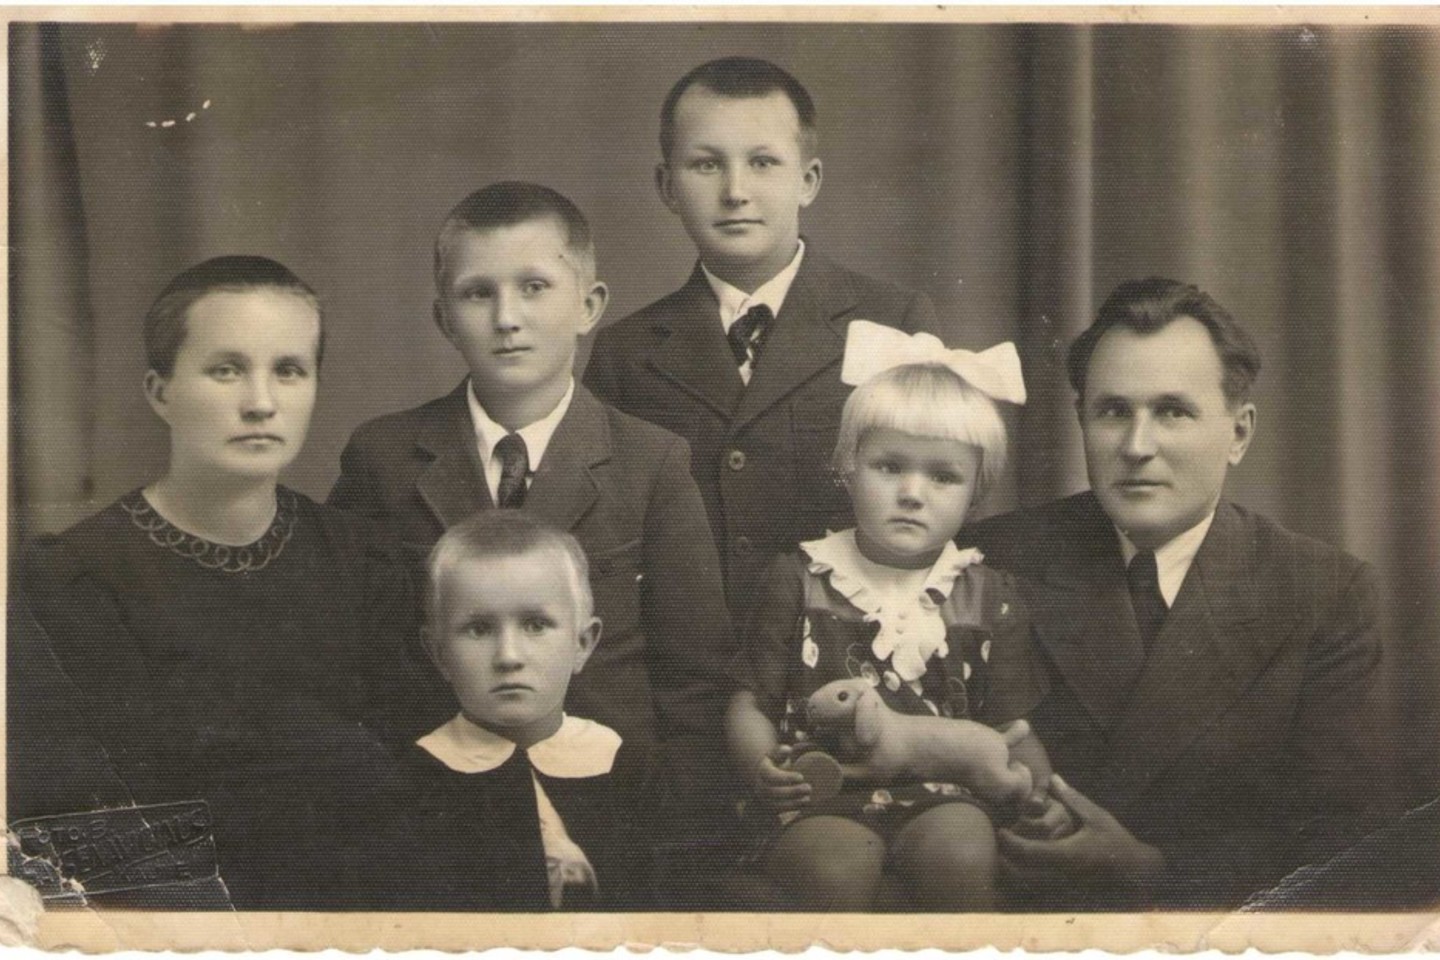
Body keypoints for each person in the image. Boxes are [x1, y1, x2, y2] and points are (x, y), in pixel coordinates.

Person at [964, 277, 1390, 909]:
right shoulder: (990, 561)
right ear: (1081, 421)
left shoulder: (1325, 595)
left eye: (1172, 412)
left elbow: (1341, 847)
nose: (1137, 447)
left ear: (1238, 434)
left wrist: (1155, 871)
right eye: (1113, 411)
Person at [13, 256, 418, 909]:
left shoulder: (363, 559)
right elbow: (90, 821)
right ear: (160, 392)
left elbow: (415, 775)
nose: (261, 403)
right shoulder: (77, 576)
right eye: (226, 370)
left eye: (289, 370)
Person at [326, 182, 734, 808]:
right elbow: (354, 662)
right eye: (477, 293)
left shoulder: (653, 463)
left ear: (589, 305)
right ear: (444, 318)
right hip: (432, 801)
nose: (506, 318)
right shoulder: (384, 458)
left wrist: (670, 826)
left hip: (613, 803)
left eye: (534, 287)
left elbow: (695, 681)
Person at [585, 57, 942, 617]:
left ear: (808, 181)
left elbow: (939, 510)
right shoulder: (625, 354)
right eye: (706, 165)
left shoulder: (893, 321)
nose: (735, 191)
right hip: (684, 659)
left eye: (763, 162)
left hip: (844, 646)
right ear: (667, 186)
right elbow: (606, 540)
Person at [727, 322, 1062, 910]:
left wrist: (1041, 796)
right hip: (819, 792)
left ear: (977, 491)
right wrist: (763, 768)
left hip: (948, 797)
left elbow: (1014, 726)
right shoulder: (799, 577)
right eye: (889, 467)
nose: (913, 493)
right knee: (838, 865)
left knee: (960, 853)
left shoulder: (989, 595)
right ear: (847, 466)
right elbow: (750, 703)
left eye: (943, 476)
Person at [384, 511, 656, 911]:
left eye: (535, 625)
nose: (508, 657)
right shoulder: (413, 781)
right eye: (479, 629)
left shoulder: (628, 766)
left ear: (582, 643)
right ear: (439, 654)